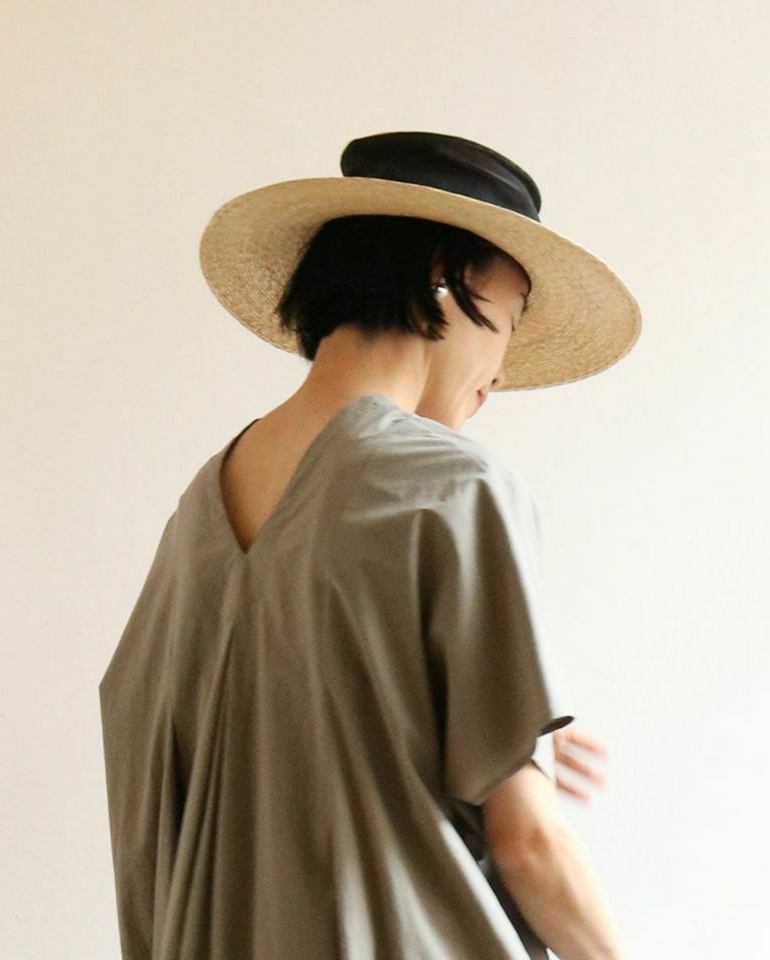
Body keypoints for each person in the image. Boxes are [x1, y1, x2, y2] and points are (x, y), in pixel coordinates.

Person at [98, 131, 640, 959]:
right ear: (449, 278)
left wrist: (449, 720)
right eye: (510, 320)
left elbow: (166, 805)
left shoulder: (196, 515)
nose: (500, 371)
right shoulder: (454, 486)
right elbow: (532, 846)